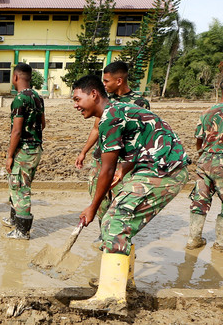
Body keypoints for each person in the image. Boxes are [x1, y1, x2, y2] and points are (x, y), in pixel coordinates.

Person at [69, 75, 189, 315]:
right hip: (156, 166)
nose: (75, 105)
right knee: (118, 218)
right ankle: (123, 284)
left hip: (164, 170)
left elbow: (106, 168)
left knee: (116, 219)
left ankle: (110, 298)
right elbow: (139, 144)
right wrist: (126, 168)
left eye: (77, 98)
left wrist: (92, 206)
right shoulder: (117, 110)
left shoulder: (109, 118)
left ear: (94, 94)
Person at [75, 61, 151, 227]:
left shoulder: (138, 103)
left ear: (119, 81)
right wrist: (83, 152)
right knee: (99, 200)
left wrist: (126, 168)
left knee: (120, 205)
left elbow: (142, 138)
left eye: (107, 81)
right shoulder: (105, 101)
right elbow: (96, 128)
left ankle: (117, 239)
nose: (104, 84)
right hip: (102, 158)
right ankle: (104, 237)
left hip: (122, 163)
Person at [2, 63, 45, 240]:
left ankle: (22, 231)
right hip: (36, 148)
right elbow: (43, 124)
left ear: (16, 77)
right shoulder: (37, 97)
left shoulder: (20, 99)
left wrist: (10, 155)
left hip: (25, 150)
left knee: (20, 188)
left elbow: (17, 131)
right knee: (17, 184)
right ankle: (14, 220)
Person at [185, 99, 223, 250]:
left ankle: (193, 239)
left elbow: (198, 140)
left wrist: (203, 154)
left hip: (205, 160)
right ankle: (220, 243)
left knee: (199, 200)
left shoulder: (207, 112)